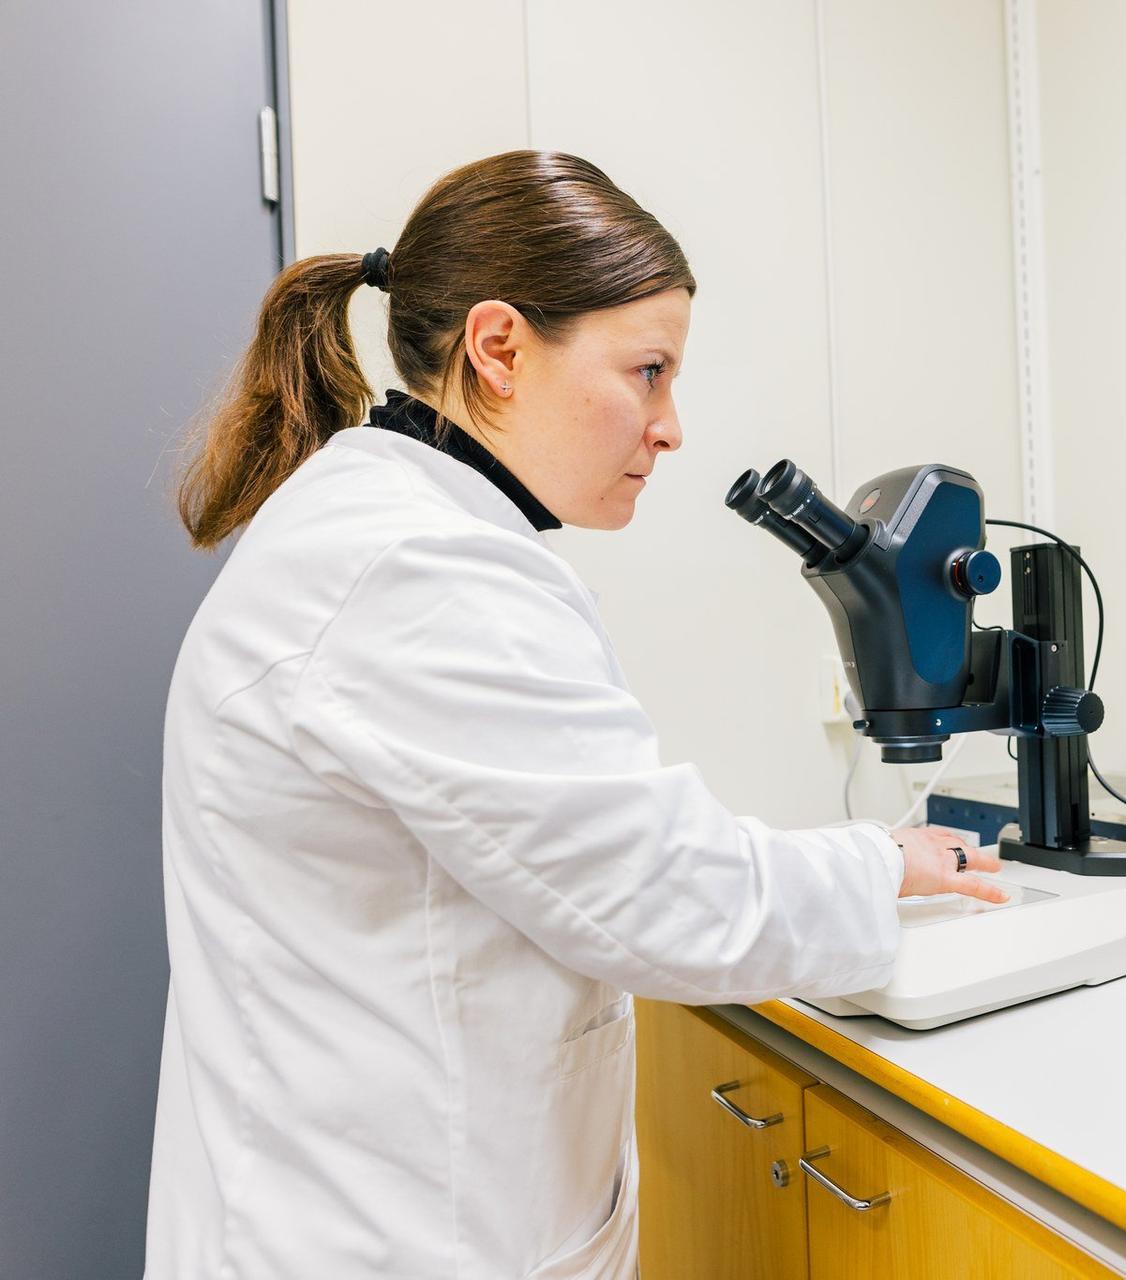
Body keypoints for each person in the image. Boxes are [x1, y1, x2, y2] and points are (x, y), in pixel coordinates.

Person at [146, 150, 1005, 1279]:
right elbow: (664, 897)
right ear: (498, 348)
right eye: (647, 371)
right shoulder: (420, 566)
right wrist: (877, 865)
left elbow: (598, 842)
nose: (670, 426)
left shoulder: (394, 524)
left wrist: (847, 859)